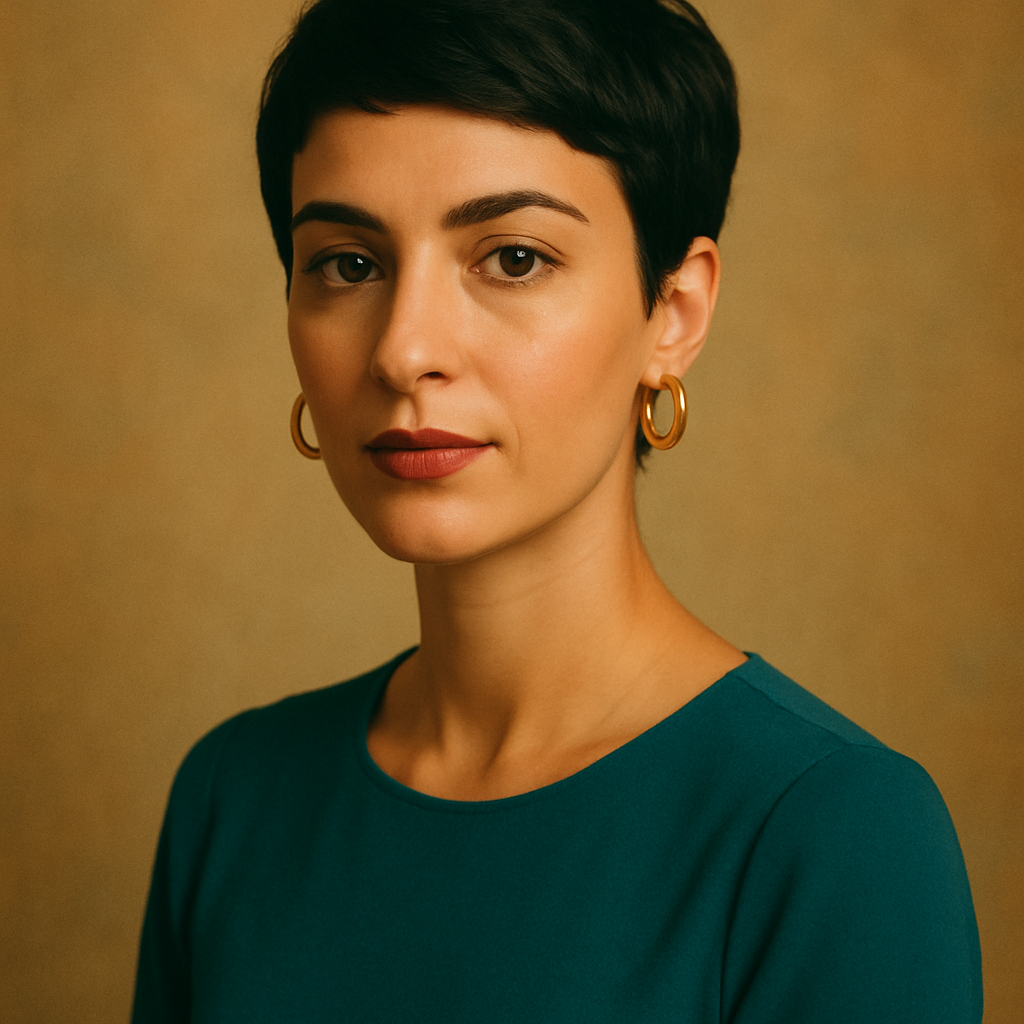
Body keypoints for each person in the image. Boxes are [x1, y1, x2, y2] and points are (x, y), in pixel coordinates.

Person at [131, 0, 983, 1020]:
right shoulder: (235, 798)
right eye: (348, 264)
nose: (405, 349)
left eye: (513, 258)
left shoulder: (831, 831)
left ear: (672, 312)